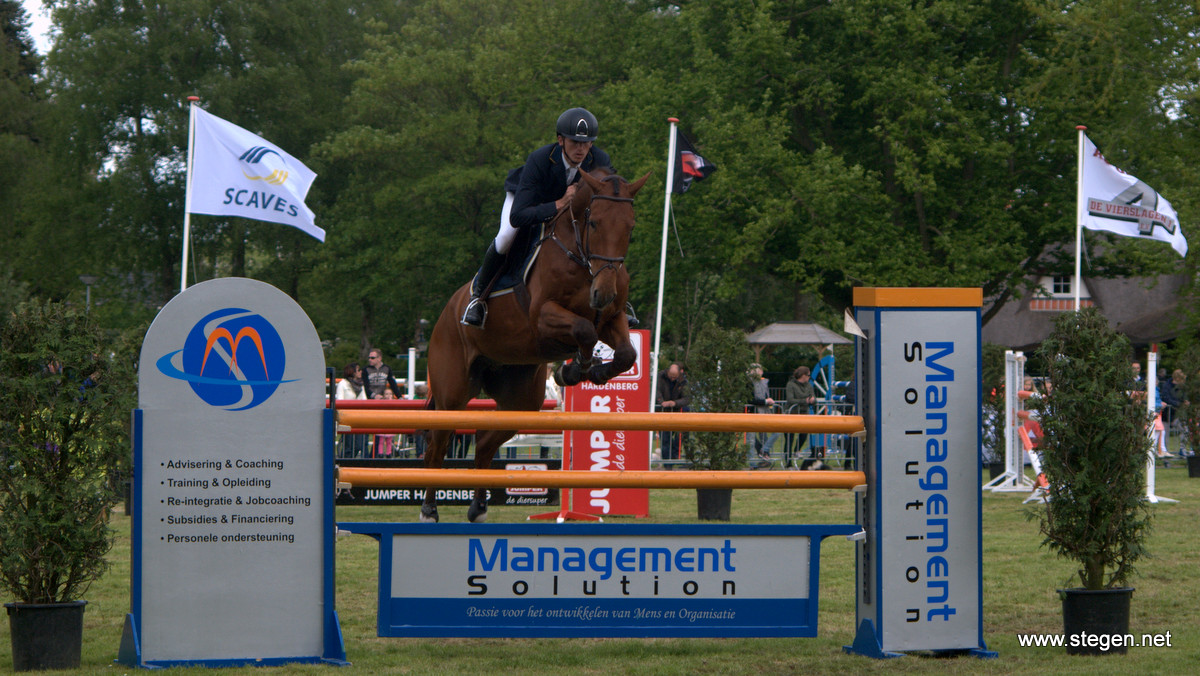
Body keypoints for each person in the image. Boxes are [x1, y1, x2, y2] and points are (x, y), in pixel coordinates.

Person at [460, 107, 637, 328]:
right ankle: (478, 298)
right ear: (560, 140)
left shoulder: (600, 159)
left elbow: (607, 200)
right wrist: (559, 203)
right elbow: (518, 216)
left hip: (569, 213)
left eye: (586, 143)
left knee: (602, 233)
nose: (580, 149)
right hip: (528, 202)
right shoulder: (540, 159)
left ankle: (619, 300)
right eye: (574, 142)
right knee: (506, 236)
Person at [655, 363, 690, 462]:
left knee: (680, 437)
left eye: (675, 377)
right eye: (671, 376)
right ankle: (667, 464)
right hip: (663, 412)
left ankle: (675, 457)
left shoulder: (684, 381)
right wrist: (661, 402)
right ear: (668, 372)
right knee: (665, 439)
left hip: (678, 412)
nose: (672, 379)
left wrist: (674, 403)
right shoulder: (660, 377)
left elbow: (687, 398)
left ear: (680, 373)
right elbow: (656, 391)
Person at [785, 366, 817, 467]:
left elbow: (813, 396)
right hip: (791, 414)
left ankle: (796, 450)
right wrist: (805, 401)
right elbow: (790, 399)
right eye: (808, 375)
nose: (809, 377)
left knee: (804, 434)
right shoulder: (791, 385)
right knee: (789, 439)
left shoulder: (808, 385)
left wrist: (813, 400)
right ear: (803, 375)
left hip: (804, 414)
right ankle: (788, 462)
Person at [747, 363, 778, 466]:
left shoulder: (764, 382)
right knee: (751, 439)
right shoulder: (748, 383)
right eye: (759, 370)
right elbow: (750, 399)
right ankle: (753, 464)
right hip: (753, 413)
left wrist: (768, 402)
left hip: (764, 413)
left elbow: (766, 395)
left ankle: (764, 451)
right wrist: (765, 401)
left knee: (773, 433)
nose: (761, 372)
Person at [335, 363, 368, 458]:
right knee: (349, 446)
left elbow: (364, 400)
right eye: (358, 370)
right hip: (347, 419)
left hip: (359, 418)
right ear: (352, 372)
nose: (360, 372)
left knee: (358, 445)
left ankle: (347, 462)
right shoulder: (343, 384)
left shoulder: (361, 385)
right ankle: (345, 463)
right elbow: (340, 400)